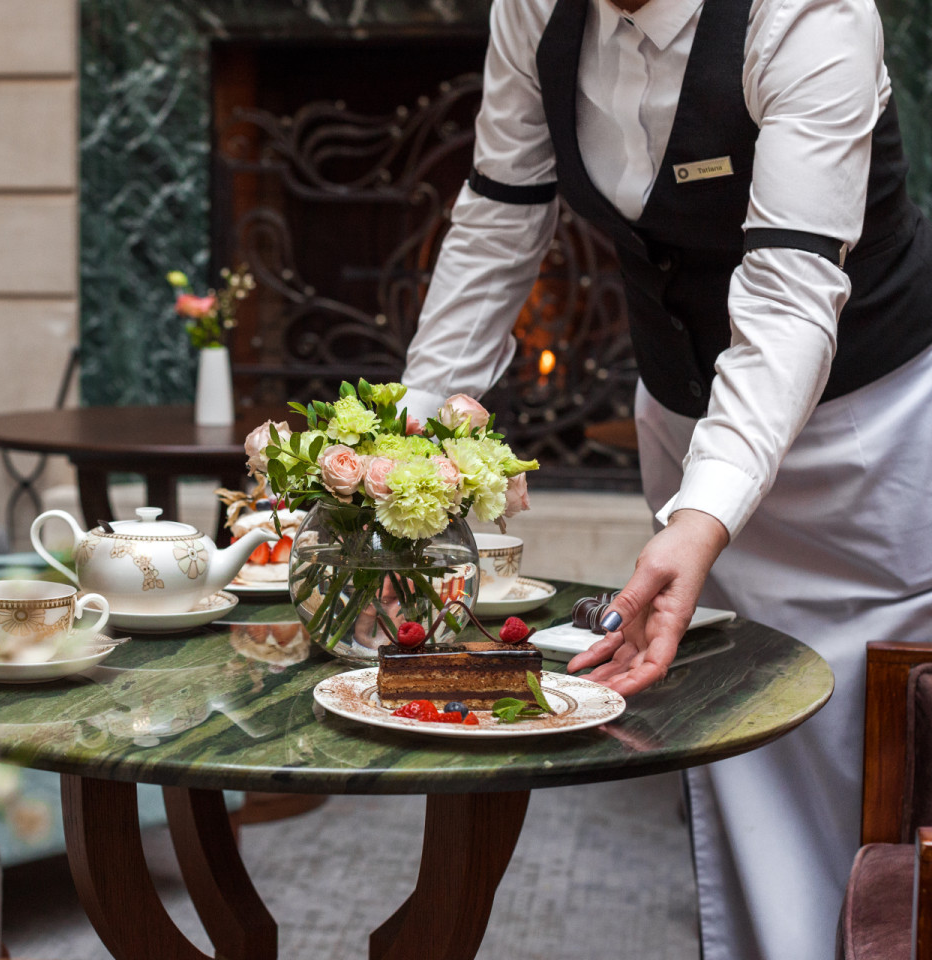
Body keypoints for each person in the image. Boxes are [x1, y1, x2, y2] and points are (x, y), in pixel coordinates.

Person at [398, 0, 932, 955]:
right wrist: (415, 435)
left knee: (875, 757)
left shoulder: (809, 13)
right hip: (688, 427)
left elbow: (790, 291)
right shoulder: (534, 10)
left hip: (869, 439)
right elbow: (498, 219)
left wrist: (701, 516)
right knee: (739, 744)